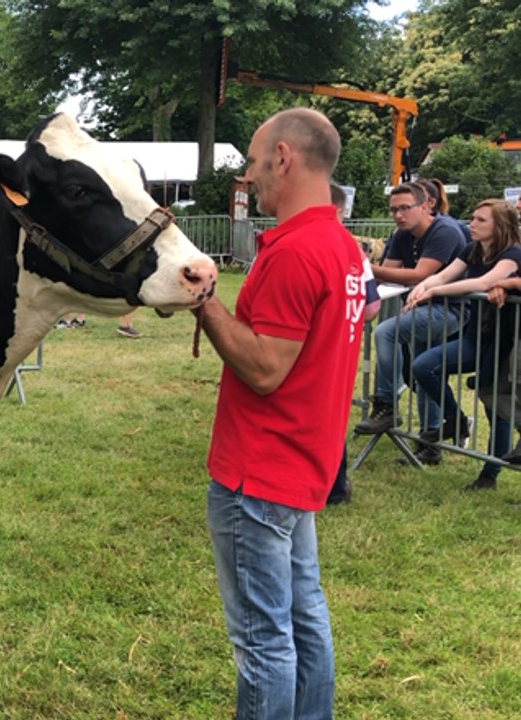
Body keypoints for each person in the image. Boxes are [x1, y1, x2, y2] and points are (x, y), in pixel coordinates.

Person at [195, 107, 362, 719]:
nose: (249, 177)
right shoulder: (342, 246)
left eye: (253, 162)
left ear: (283, 158)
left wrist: (205, 304)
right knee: (304, 616)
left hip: (257, 472)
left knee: (264, 639)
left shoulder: (295, 250)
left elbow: (265, 369)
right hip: (301, 464)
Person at [406, 199, 521, 490]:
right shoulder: (471, 249)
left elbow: (484, 283)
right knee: (424, 366)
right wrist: (423, 286)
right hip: (475, 336)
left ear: (500, 226)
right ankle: (455, 420)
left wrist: (435, 292)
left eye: (481, 220)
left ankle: (489, 474)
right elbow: (444, 274)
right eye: (472, 217)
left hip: (503, 342)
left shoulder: (513, 252)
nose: (472, 223)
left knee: (494, 404)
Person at [354, 182, 468, 466]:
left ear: (426, 205)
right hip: (420, 309)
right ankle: (428, 446)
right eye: (393, 209)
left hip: (450, 310)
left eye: (405, 208)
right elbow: (390, 273)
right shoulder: (403, 233)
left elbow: (419, 275)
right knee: (420, 372)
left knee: (386, 332)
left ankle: (385, 404)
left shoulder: (444, 230)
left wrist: (361, 268)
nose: (398, 215)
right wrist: (365, 275)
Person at [329, 183, 382, 505]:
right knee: (335, 413)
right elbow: (372, 307)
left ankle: (330, 486)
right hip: (345, 343)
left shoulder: (305, 243)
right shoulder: (353, 249)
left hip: (312, 348)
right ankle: (336, 486)